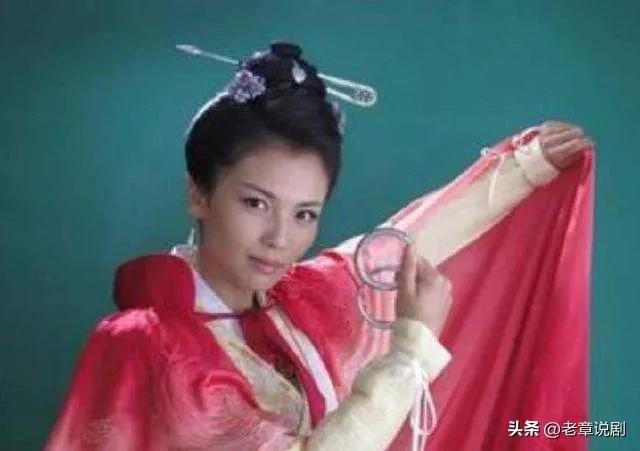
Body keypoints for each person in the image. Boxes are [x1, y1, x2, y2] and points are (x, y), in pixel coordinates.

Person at [46, 42, 595, 450]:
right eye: (255, 203)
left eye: (305, 214)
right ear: (199, 193)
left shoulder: (295, 305)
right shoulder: (145, 344)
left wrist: (527, 166)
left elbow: (402, 244)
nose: (280, 239)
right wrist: (409, 354)